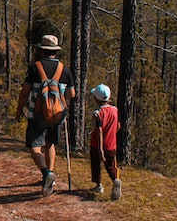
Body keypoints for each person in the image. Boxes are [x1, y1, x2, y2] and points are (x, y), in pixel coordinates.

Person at [16, 34, 76, 197]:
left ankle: (46, 174)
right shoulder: (64, 69)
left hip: (37, 113)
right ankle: (51, 176)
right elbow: (72, 94)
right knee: (50, 144)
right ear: (56, 52)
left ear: (42, 50)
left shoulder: (35, 67)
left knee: (34, 146)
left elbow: (25, 91)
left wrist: (19, 108)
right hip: (57, 114)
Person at [89, 84, 122, 200]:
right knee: (111, 166)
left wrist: (100, 149)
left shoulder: (97, 114)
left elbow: (99, 132)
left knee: (96, 165)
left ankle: (98, 185)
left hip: (97, 145)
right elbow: (118, 126)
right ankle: (115, 180)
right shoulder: (115, 110)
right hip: (112, 144)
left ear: (96, 98)